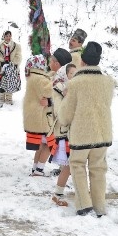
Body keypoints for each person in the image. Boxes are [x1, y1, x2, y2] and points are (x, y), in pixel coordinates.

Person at [59, 42, 115, 217]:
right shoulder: (108, 82)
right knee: (98, 169)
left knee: (77, 166)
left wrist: (62, 115)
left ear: (82, 62)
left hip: (81, 133)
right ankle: (99, 206)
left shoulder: (75, 83)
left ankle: (84, 205)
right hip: (102, 132)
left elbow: (66, 114)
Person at [49, 54, 75, 207]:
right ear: (65, 74)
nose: (73, 77)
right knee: (71, 165)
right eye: (71, 74)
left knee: (73, 165)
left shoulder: (72, 89)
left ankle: (59, 192)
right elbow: (60, 112)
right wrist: (67, 97)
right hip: (65, 133)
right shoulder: (58, 88)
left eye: (75, 74)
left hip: (74, 132)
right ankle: (58, 193)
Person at [23, 54, 56, 177]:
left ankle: (35, 168)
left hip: (34, 118)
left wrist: (50, 77)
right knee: (48, 144)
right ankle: (39, 170)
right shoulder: (40, 79)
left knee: (40, 145)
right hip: (42, 118)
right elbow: (49, 91)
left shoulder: (32, 77)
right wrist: (54, 81)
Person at [0, 30, 22, 106]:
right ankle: (2, 99)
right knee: (1, 83)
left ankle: (9, 98)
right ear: (4, 36)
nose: (8, 38)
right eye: (6, 36)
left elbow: (18, 56)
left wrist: (13, 64)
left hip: (12, 68)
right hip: (1, 67)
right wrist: (2, 62)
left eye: (9, 36)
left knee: (11, 83)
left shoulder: (16, 46)